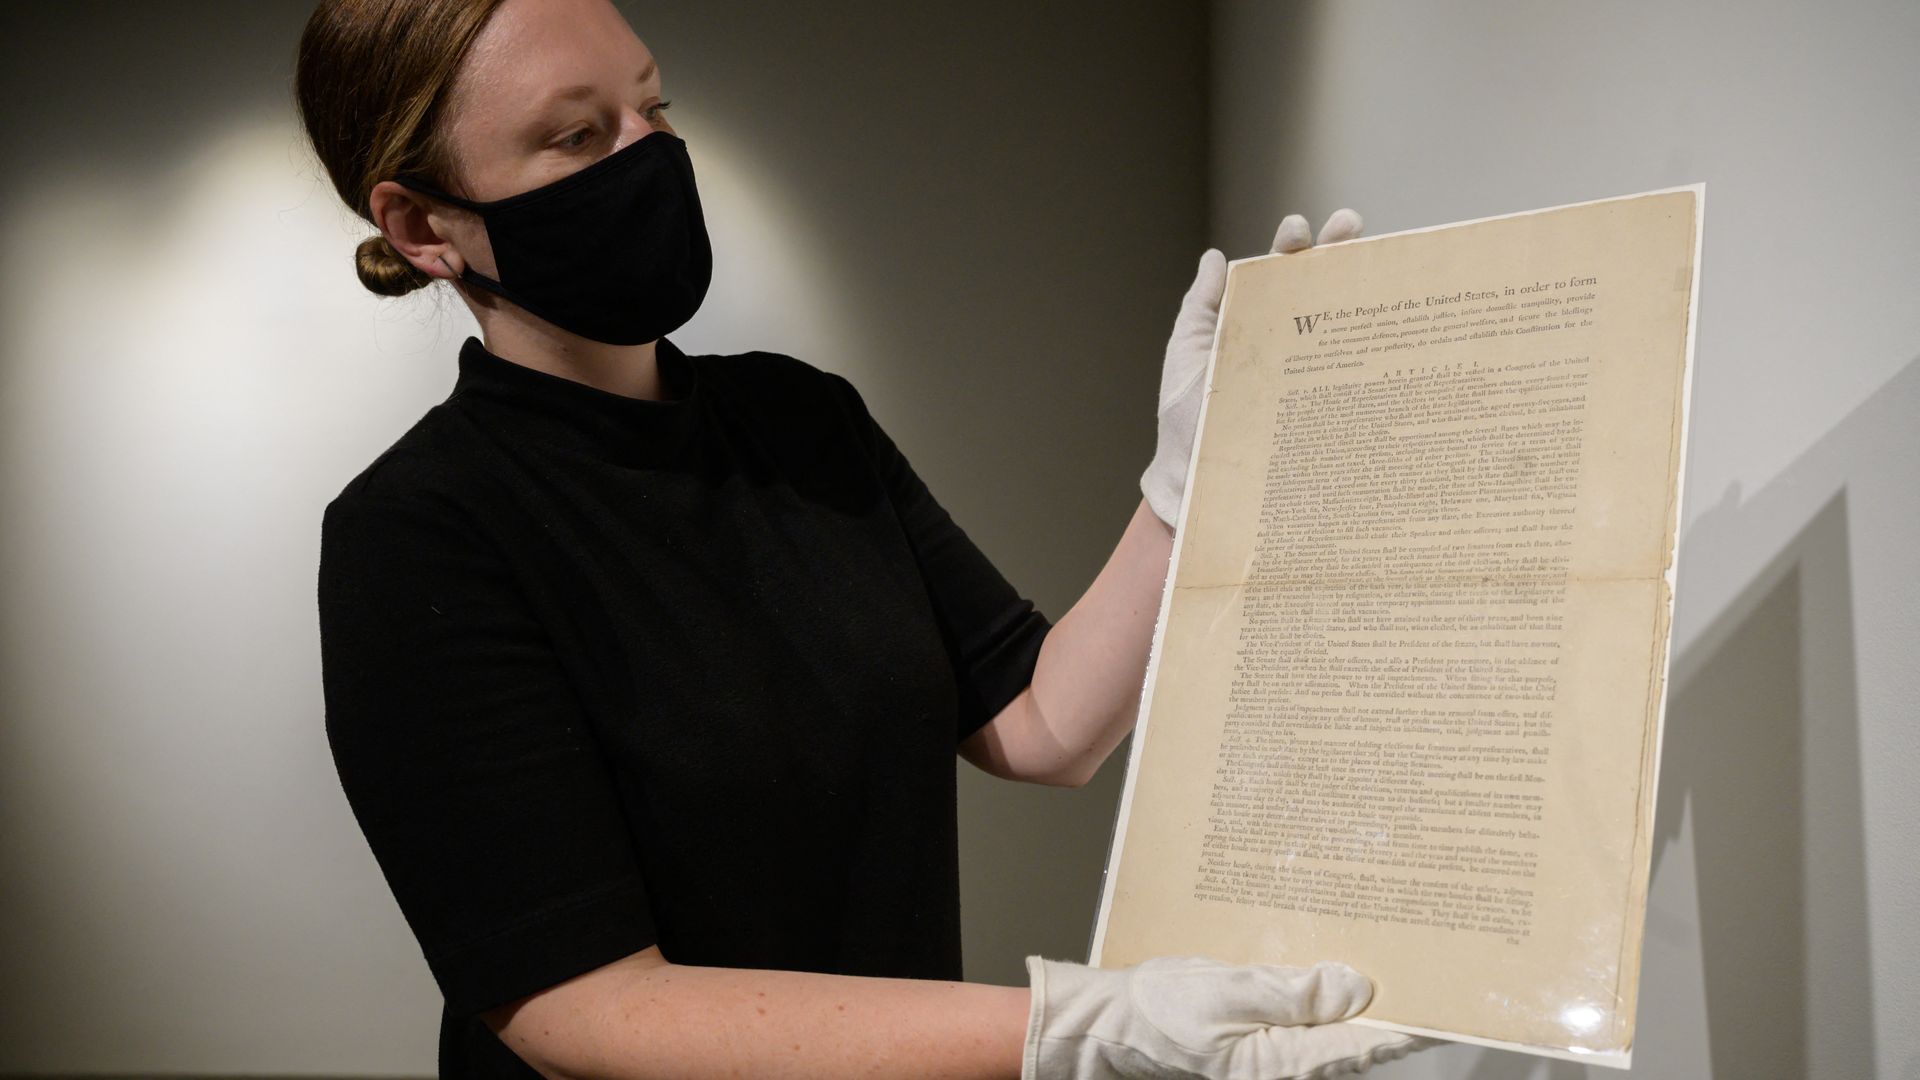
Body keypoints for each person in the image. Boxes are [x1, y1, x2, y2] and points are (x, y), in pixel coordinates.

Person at [299, 0, 1434, 1077]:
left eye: (654, 108)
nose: (647, 156)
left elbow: (1044, 724)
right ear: (422, 225)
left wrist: (1192, 481)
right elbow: (585, 1009)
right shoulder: (417, 536)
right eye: (577, 136)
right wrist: (1073, 1027)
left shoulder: (802, 422)